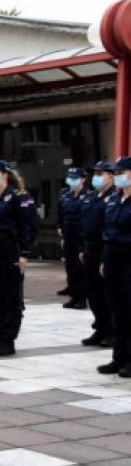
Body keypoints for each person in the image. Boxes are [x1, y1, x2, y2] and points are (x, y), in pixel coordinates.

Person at [0, 159, 38, 357]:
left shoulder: (19, 196)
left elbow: (28, 225)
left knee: (11, 295)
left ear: (5, 174)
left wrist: (24, 253)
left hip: (10, 249)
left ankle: (8, 340)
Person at [100, 156, 131, 377]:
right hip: (112, 257)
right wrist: (104, 259)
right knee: (116, 309)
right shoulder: (113, 199)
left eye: (121, 172)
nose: (117, 176)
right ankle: (118, 357)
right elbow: (106, 232)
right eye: (116, 173)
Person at [80, 161, 115, 348]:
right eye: (96, 173)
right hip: (89, 247)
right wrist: (81, 248)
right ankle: (100, 327)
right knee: (92, 291)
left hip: (105, 248)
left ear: (111, 176)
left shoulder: (114, 197)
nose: (97, 176)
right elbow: (83, 223)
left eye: (101, 173)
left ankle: (111, 330)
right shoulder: (90, 197)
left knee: (106, 292)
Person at [58, 167, 90, 309]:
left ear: (83, 180)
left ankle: (82, 298)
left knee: (80, 268)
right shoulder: (65, 194)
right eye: (69, 177)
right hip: (68, 235)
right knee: (70, 267)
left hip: (81, 236)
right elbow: (61, 214)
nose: (71, 180)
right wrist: (60, 229)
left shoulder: (89, 195)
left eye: (75, 178)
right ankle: (73, 295)